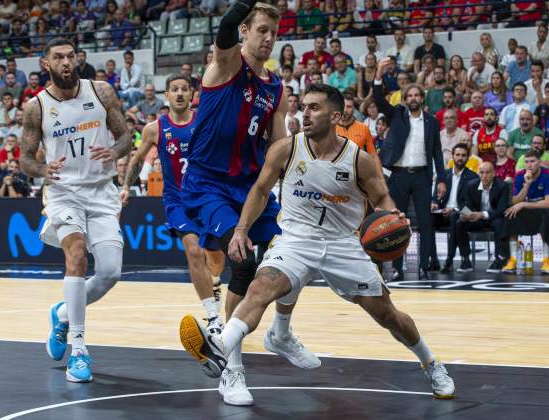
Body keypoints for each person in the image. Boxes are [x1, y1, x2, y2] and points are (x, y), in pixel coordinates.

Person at [179, 84, 456, 401]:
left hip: (342, 243)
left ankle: (431, 363)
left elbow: (381, 197)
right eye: (304, 107)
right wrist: (241, 228)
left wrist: (393, 217)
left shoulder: (359, 160)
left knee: (387, 315)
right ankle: (221, 347)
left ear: (335, 115)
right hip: (296, 239)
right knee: (260, 287)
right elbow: (258, 190)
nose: (305, 114)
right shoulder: (286, 149)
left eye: (314, 108)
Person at [179, 2, 318, 406]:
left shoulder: (276, 88)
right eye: (261, 30)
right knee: (242, 262)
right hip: (208, 185)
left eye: (274, 33)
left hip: (250, 186)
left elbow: (276, 145)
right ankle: (232, 370)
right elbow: (223, 26)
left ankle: (281, 332)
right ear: (244, 31)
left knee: (297, 251)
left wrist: (298, 172)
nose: (268, 39)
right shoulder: (224, 65)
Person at [19, 37, 132, 383]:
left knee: (111, 272)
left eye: (70, 56)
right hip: (64, 193)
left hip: (101, 192)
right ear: (46, 64)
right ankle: (79, 350)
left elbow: (127, 135)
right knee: (77, 253)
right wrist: (42, 170)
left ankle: (64, 312)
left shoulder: (101, 92)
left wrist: (115, 152)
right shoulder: (36, 107)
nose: (66, 62)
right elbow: (24, 159)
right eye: (59, 57)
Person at [120, 75, 226, 336]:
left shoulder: (204, 120)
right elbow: (136, 161)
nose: (179, 94)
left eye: (184, 89)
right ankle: (213, 318)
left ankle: (214, 281)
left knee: (215, 258)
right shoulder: (155, 128)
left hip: (208, 196)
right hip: (178, 200)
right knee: (193, 250)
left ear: (192, 94)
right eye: (174, 89)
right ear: (166, 94)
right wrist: (125, 185)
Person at [374, 57, 446, 281]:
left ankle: (424, 266)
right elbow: (379, 101)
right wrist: (378, 74)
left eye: (417, 95)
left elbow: (437, 153)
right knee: (397, 224)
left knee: (425, 222)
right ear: (404, 100)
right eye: (410, 96)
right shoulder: (397, 114)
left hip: (422, 176)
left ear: (422, 98)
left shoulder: (432, 122)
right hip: (399, 175)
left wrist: (442, 179)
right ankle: (396, 267)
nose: (413, 98)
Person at [501, 150, 549, 275]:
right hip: (529, 209)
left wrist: (524, 204)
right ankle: (513, 259)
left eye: (532, 161)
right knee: (510, 213)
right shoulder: (520, 175)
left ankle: (547, 260)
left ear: (539, 162)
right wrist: (527, 185)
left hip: (544, 210)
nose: (529, 165)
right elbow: (515, 201)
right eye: (526, 162)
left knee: (548, 216)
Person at [430, 143, 479, 273]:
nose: (460, 158)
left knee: (455, 217)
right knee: (427, 219)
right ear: (452, 156)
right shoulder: (443, 176)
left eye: (463, 155)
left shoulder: (473, 177)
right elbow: (436, 197)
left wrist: (455, 209)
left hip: (465, 212)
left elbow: (472, 205)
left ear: (468, 158)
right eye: (457, 155)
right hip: (443, 212)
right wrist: (434, 203)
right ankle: (433, 259)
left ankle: (449, 259)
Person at [457, 161, 511, 273]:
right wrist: (466, 214)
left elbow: (501, 209)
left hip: (494, 217)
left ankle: (499, 260)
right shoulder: (471, 185)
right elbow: (465, 205)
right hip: (476, 218)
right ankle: (465, 260)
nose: (484, 176)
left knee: (500, 223)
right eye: (481, 172)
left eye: (487, 172)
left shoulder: (502, 186)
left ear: (493, 173)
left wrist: (482, 214)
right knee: (459, 223)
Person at [535, 82, 549, 151]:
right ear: (545, 93)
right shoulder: (539, 108)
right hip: (542, 143)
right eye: (548, 92)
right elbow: (532, 126)